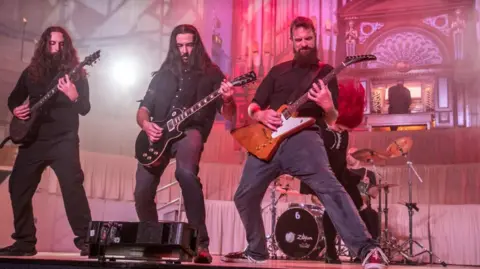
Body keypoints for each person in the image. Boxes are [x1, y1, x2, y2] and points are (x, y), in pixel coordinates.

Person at [222, 17, 388, 269]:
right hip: (268, 139)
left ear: (315, 39)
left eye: (308, 39)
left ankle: (368, 250)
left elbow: (332, 120)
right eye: (298, 40)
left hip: (305, 138)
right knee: (244, 196)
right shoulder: (277, 71)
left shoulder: (325, 72)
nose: (303, 44)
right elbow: (254, 106)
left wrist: (328, 105)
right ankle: (256, 250)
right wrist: (261, 114)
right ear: (292, 42)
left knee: (331, 189)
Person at [134, 24, 235, 264]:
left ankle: (201, 244)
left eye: (189, 45)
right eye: (179, 46)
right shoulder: (164, 73)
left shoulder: (211, 73)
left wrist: (228, 99)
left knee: (186, 173)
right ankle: (152, 241)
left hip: (191, 130)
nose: (184, 50)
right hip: (158, 134)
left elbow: (228, 114)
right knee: (141, 190)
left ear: (197, 45)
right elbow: (143, 110)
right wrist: (147, 125)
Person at [0, 26, 92, 256]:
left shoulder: (77, 74)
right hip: (34, 140)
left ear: (67, 47)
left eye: (61, 44)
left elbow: (85, 108)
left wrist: (74, 96)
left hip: (64, 140)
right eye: (52, 43)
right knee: (18, 186)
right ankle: (25, 242)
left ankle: (86, 240)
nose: (56, 48)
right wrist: (16, 109)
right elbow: (13, 98)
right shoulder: (31, 72)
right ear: (44, 45)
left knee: (72, 187)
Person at [297, 79, 368, 264]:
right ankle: (330, 249)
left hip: (339, 174)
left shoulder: (344, 133)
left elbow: (342, 158)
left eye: (346, 129)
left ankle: (362, 248)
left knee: (359, 205)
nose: (344, 130)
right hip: (319, 176)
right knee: (332, 205)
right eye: (342, 126)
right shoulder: (317, 126)